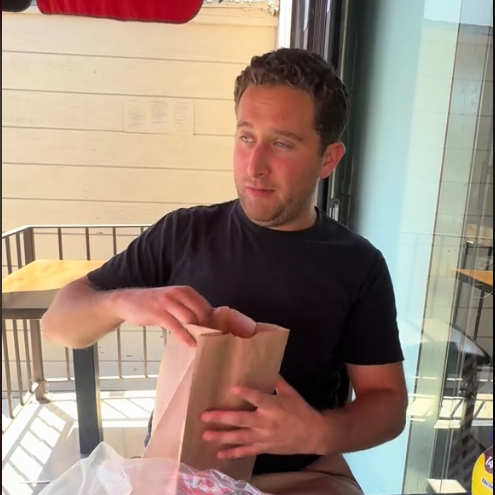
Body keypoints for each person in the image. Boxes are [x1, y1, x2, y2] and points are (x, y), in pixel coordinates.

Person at [42, 48, 408, 494]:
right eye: (246, 137)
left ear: (328, 159)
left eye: (281, 143)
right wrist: (123, 301)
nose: (254, 166)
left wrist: (318, 432)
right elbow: (60, 323)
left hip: (303, 477)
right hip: (181, 472)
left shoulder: (358, 264)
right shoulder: (183, 233)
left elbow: (388, 406)